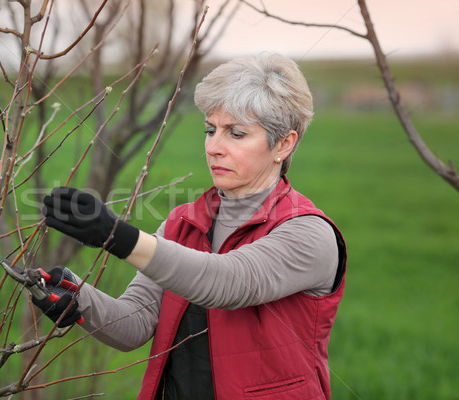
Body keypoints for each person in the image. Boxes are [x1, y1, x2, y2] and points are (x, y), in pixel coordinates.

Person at [33, 52, 347, 400]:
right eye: (211, 130)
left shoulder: (308, 233)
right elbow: (134, 324)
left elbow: (226, 283)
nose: (214, 147)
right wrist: (79, 300)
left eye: (237, 134)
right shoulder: (184, 223)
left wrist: (117, 236)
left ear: (284, 144)